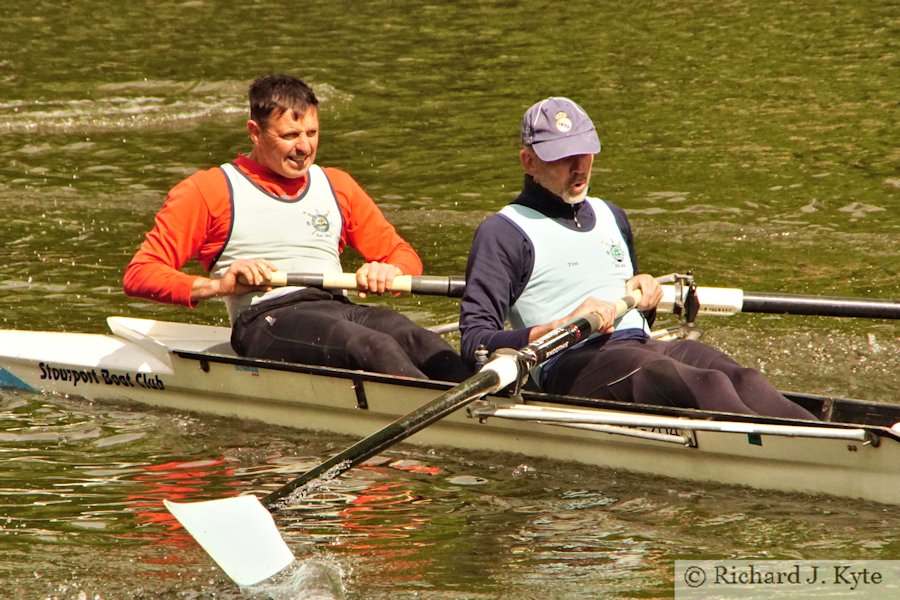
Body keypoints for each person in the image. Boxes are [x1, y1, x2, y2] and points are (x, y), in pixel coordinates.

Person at [459, 96, 817, 419]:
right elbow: (474, 340)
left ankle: (825, 437)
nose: (579, 167)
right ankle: (785, 452)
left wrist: (644, 291)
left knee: (739, 377)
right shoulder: (503, 232)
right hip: (572, 362)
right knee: (701, 384)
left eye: (584, 152)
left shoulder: (611, 214)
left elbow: (624, 300)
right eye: (562, 158)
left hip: (638, 345)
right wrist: (559, 325)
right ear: (529, 161)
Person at [124, 73, 470, 382]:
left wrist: (389, 270)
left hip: (336, 307)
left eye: (312, 133)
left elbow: (404, 256)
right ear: (254, 133)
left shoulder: (337, 185)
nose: (304, 147)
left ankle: (498, 407)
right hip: (266, 319)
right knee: (372, 345)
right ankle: (452, 422)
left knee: (418, 339)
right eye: (290, 135)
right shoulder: (207, 190)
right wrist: (219, 285)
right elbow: (140, 274)